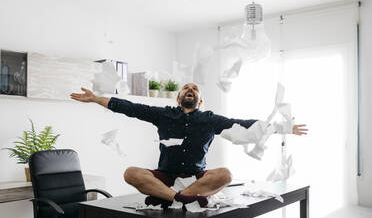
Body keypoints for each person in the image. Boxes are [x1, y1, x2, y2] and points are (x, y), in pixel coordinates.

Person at [70, 83, 307, 208]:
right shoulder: (163, 115)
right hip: (164, 176)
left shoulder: (210, 119)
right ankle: (179, 198)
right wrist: (95, 99)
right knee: (130, 173)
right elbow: (129, 107)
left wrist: (283, 127)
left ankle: (170, 198)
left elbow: (244, 124)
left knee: (225, 174)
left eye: (194, 89)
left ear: (200, 100)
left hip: (197, 178)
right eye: (186, 88)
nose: (190, 90)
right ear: (179, 97)